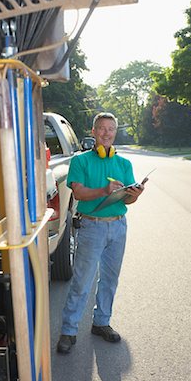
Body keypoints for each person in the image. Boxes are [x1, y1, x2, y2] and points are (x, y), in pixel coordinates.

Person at [57, 112, 144, 354]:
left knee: (110, 279)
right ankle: (68, 330)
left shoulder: (124, 164)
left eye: (111, 129)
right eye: (102, 129)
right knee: (82, 281)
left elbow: (127, 201)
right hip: (91, 226)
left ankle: (101, 323)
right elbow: (79, 193)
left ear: (115, 133)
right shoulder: (81, 161)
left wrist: (134, 195)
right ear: (93, 132)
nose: (107, 133)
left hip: (118, 226)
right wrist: (104, 190)